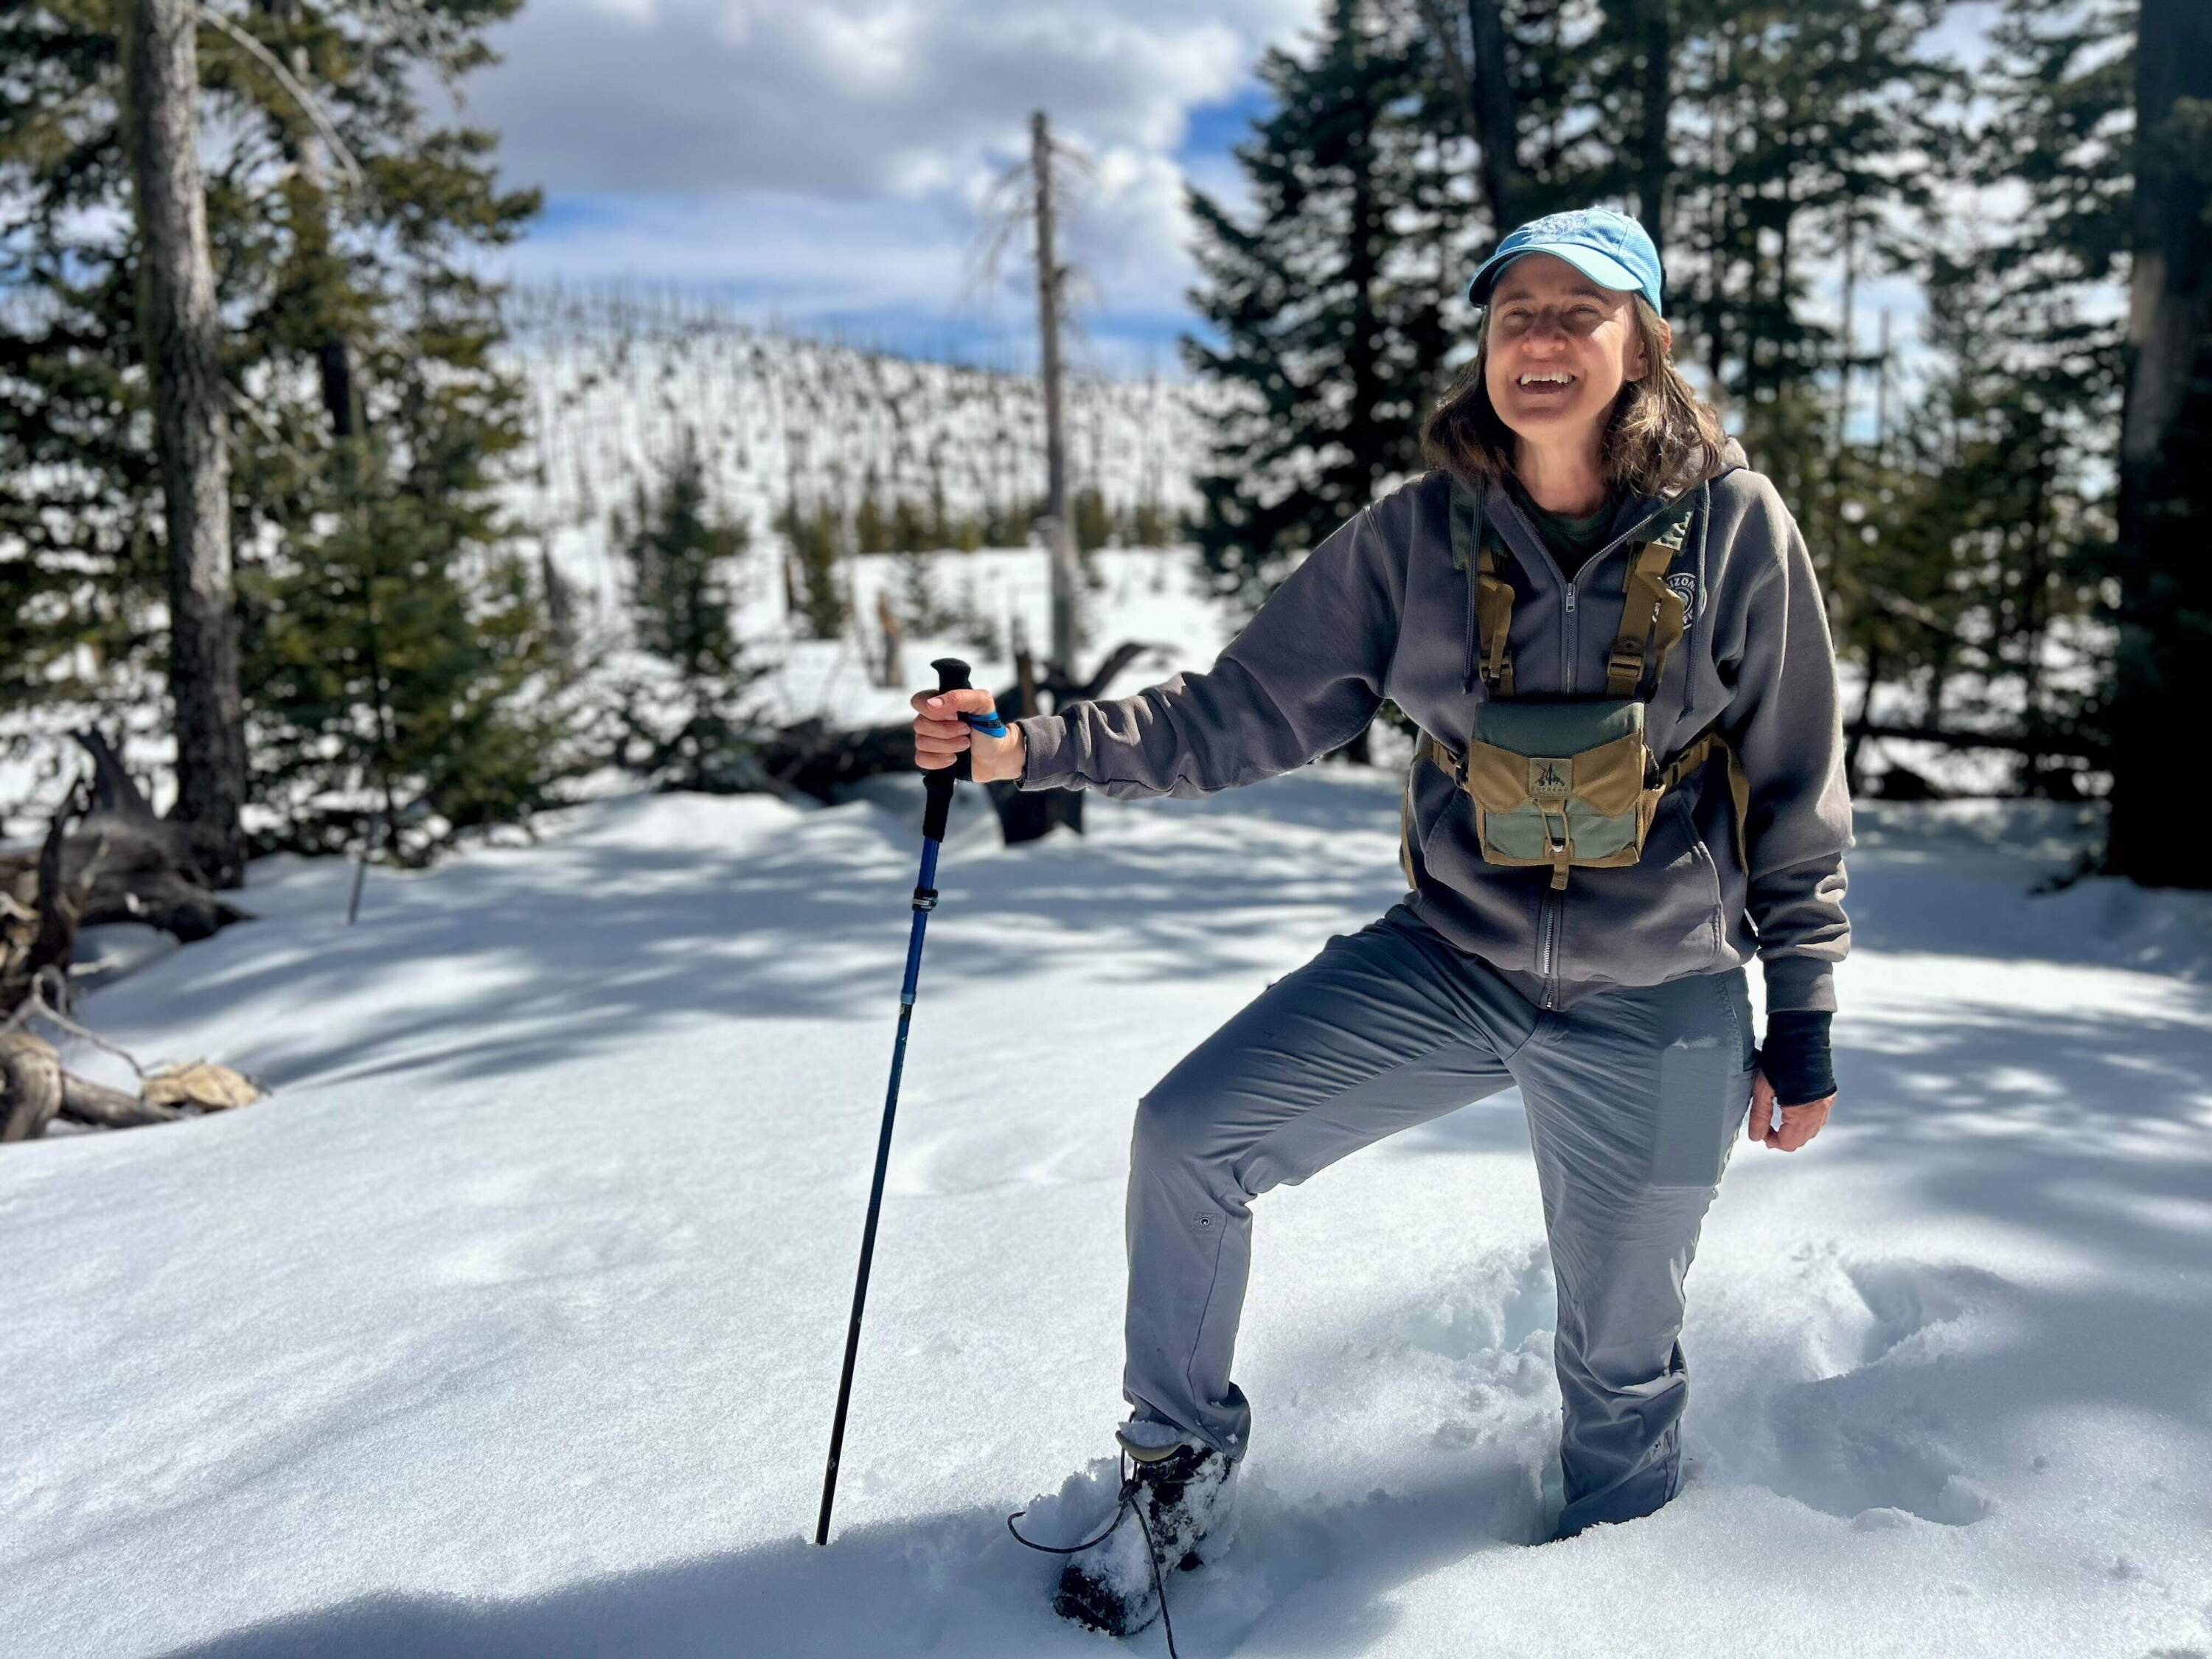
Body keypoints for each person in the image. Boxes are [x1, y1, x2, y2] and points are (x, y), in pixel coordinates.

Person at [910, 206, 1849, 1640]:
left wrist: (1806, 1016)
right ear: (1486, 344)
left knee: (1620, 1356)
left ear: (1645, 343)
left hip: (1660, 991)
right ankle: (1175, 1470)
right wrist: (1024, 749)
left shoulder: (1736, 528)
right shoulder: (1415, 536)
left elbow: (1796, 782)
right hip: (1452, 962)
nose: (1542, 339)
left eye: (1581, 312)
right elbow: (1237, 713)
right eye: (1516, 313)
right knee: (1189, 1137)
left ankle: (1611, 1596)